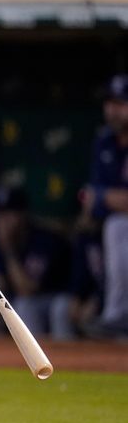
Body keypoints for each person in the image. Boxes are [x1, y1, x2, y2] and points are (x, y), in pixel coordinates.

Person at [80, 74, 128, 336]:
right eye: (110, 103)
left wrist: (106, 198)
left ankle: (117, 312)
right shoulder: (104, 142)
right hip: (112, 225)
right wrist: (107, 199)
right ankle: (112, 312)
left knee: (117, 226)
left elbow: (101, 196)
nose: (113, 110)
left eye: (120, 103)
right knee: (108, 226)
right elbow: (92, 197)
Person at [0, 187, 72, 338]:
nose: (4, 221)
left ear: (23, 214)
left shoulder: (42, 240)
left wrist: (8, 250)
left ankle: (63, 358)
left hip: (58, 296)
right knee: (0, 307)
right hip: (37, 299)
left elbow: (26, 288)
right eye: (0, 215)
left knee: (28, 305)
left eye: (10, 213)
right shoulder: (2, 241)